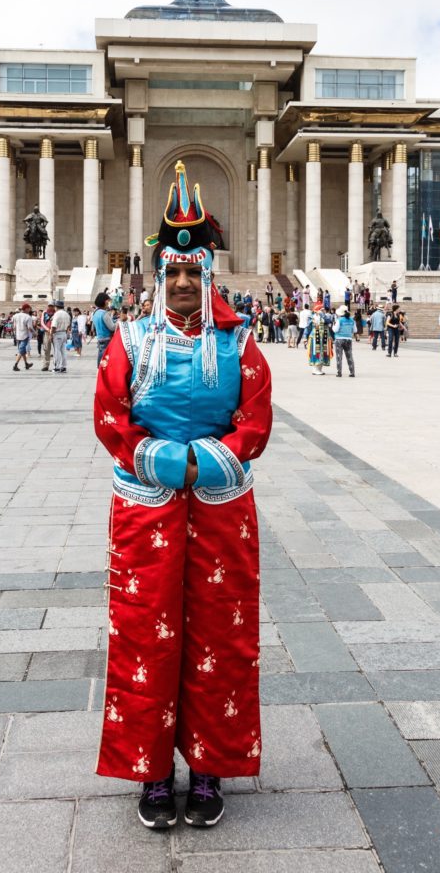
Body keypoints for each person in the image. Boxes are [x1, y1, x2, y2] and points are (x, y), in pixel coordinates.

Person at [93, 159, 272, 831]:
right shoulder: (130, 339)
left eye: (194, 272)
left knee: (220, 637)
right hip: (147, 511)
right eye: (172, 272)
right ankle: (150, 772)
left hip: (222, 511)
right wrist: (170, 463)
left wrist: (208, 463)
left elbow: (254, 419)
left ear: (210, 276)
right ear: (158, 276)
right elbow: (111, 419)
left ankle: (208, 767)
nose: (183, 283)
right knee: (146, 638)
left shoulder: (239, 342)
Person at [92, 292, 117, 366]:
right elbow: (112, 327)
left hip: (100, 339)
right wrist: (119, 322)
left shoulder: (95, 313)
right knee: (106, 362)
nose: (109, 303)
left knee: (101, 359)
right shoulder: (104, 313)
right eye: (108, 301)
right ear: (105, 301)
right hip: (107, 340)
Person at [307, 304, 332, 375]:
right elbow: (308, 327)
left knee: (323, 352)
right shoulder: (312, 317)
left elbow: (329, 321)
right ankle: (315, 369)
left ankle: (319, 369)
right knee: (316, 351)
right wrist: (306, 337)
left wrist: (322, 315)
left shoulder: (324, 317)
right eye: (322, 310)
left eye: (323, 310)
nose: (323, 311)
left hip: (323, 336)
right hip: (316, 336)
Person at [333, 305, 355, 377]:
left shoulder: (339, 320)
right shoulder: (352, 320)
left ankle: (339, 372)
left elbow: (335, 330)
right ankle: (352, 372)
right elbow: (355, 330)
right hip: (348, 339)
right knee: (349, 356)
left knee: (339, 356)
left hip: (339, 339)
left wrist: (333, 326)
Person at [50, 300, 71, 373]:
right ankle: (64, 366)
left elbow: (54, 326)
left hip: (57, 333)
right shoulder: (66, 314)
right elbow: (68, 325)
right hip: (64, 333)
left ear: (56, 307)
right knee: (63, 351)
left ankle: (57, 367)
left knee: (57, 351)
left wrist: (51, 334)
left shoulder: (57, 314)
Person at [12, 305, 35, 371]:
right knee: (21, 351)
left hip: (18, 335)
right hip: (25, 336)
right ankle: (15, 365)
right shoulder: (28, 317)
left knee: (23, 350)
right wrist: (34, 333)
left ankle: (26, 364)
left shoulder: (15, 316)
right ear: (26, 309)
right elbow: (29, 328)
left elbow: (14, 326)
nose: (30, 310)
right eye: (29, 309)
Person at [40, 303, 56, 371]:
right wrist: (48, 329)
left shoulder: (56, 313)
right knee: (46, 349)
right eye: (49, 306)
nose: (50, 307)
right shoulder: (45, 312)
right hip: (47, 332)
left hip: (55, 332)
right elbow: (42, 322)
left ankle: (56, 364)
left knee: (57, 349)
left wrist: (52, 330)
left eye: (52, 306)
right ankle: (46, 365)